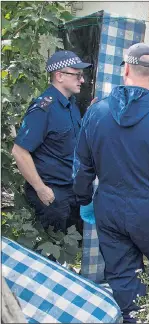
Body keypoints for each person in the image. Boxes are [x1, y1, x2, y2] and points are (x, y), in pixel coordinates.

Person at [72, 43, 149, 323]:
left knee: (121, 274)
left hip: (110, 208)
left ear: (125, 69)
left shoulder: (96, 113)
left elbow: (82, 166)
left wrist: (83, 199)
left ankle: (133, 318)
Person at [12, 50, 92, 240]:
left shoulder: (71, 104)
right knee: (49, 256)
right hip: (52, 195)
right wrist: (41, 188)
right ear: (59, 76)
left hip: (70, 191)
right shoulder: (43, 108)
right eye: (77, 75)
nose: (82, 80)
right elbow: (19, 152)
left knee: (69, 253)